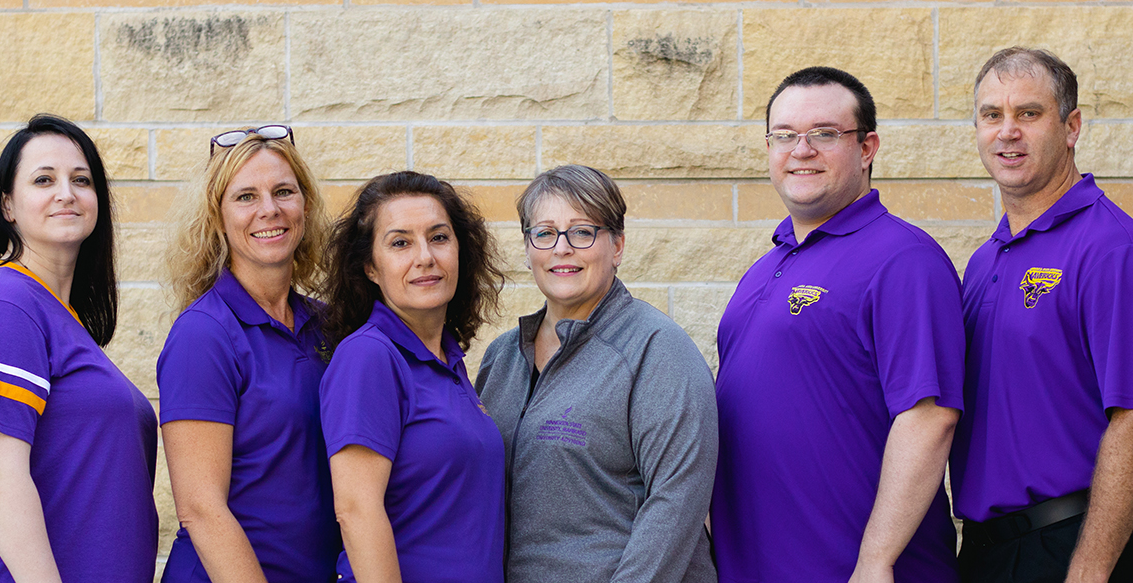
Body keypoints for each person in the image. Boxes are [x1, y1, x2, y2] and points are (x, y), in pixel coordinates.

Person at [711, 67, 964, 582]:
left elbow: (929, 416)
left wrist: (876, 561)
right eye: (784, 136)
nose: (800, 150)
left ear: (867, 147)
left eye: (825, 134)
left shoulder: (903, 259)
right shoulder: (764, 269)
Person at [951, 47, 1133, 582]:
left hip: (1080, 546)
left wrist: (1088, 573)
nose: (1007, 132)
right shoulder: (986, 260)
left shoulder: (1112, 249)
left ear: (1071, 127)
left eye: (1029, 113)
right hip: (991, 552)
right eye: (992, 115)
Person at [0, 114, 158, 583]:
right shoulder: (6, 305)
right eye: (44, 179)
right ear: (8, 205)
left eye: (81, 180)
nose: (67, 192)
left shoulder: (56, 314)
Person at [476, 164, 717, 582]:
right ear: (529, 246)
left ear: (617, 246)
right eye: (545, 232)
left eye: (582, 232)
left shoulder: (656, 350)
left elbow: (676, 503)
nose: (562, 249)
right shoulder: (502, 358)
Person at [157, 125, 339, 582]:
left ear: (305, 206)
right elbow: (200, 509)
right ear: (217, 217)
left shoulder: (331, 326)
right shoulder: (204, 335)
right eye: (245, 197)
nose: (269, 210)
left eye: (283, 191)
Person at [318, 171, 506, 583]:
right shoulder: (369, 356)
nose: (425, 256)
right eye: (400, 242)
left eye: (439, 237)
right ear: (370, 266)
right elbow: (355, 510)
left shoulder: (448, 362)